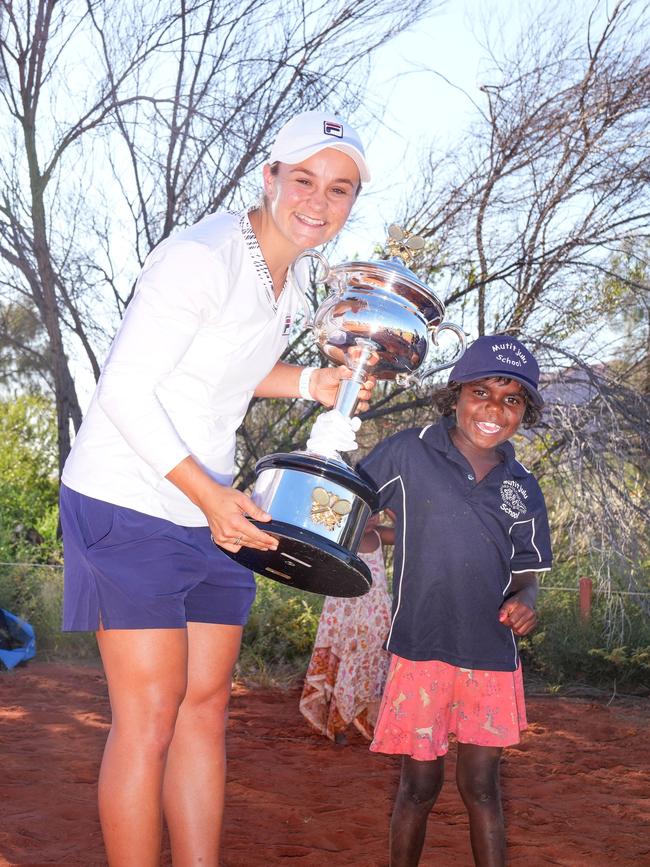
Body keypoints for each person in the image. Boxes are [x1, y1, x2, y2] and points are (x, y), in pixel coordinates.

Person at [59, 109, 375, 867]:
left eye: (339, 190)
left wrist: (311, 380)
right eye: (303, 180)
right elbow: (125, 394)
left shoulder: (293, 275)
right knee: (151, 716)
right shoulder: (199, 259)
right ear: (269, 178)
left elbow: (222, 373)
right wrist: (208, 498)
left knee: (204, 708)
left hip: (211, 502)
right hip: (127, 498)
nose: (318, 202)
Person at [356, 335, 553, 867]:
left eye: (511, 399)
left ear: (524, 412)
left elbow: (527, 573)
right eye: (481, 391)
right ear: (455, 395)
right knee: (418, 788)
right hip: (421, 648)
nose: (493, 409)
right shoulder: (409, 451)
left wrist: (526, 601)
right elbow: (350, 507)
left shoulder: (522, 485)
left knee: (483, 789)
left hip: (490, 655)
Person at [299, 510, 394, 744]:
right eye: (366, 513)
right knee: (344, 662)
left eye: (377, 514)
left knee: (371, 663)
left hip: (375, 616)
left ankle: (368, 721)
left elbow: (408, 530)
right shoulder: (342, 536)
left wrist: (392, 510)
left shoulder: (380, 536)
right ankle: (337, 724)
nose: (373, 519)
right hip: (344, 613)